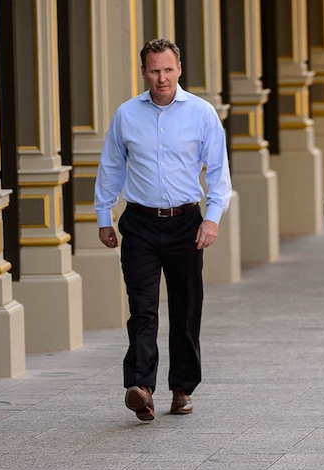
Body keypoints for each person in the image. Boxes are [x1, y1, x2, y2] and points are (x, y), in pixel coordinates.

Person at [94, 39, 232, 420]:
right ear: (143, 72)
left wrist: (212, 217)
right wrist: (104, 217)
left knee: (186, 308)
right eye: (154, 70)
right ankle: (141, 387)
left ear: (179, 69)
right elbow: (111, 166)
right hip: (139, 223)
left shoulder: (202, 114)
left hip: (186, 223)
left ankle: (182, 388)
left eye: (168, 70)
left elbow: (218, 170)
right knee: (142, 307)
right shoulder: (126, 115)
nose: (162, 78)